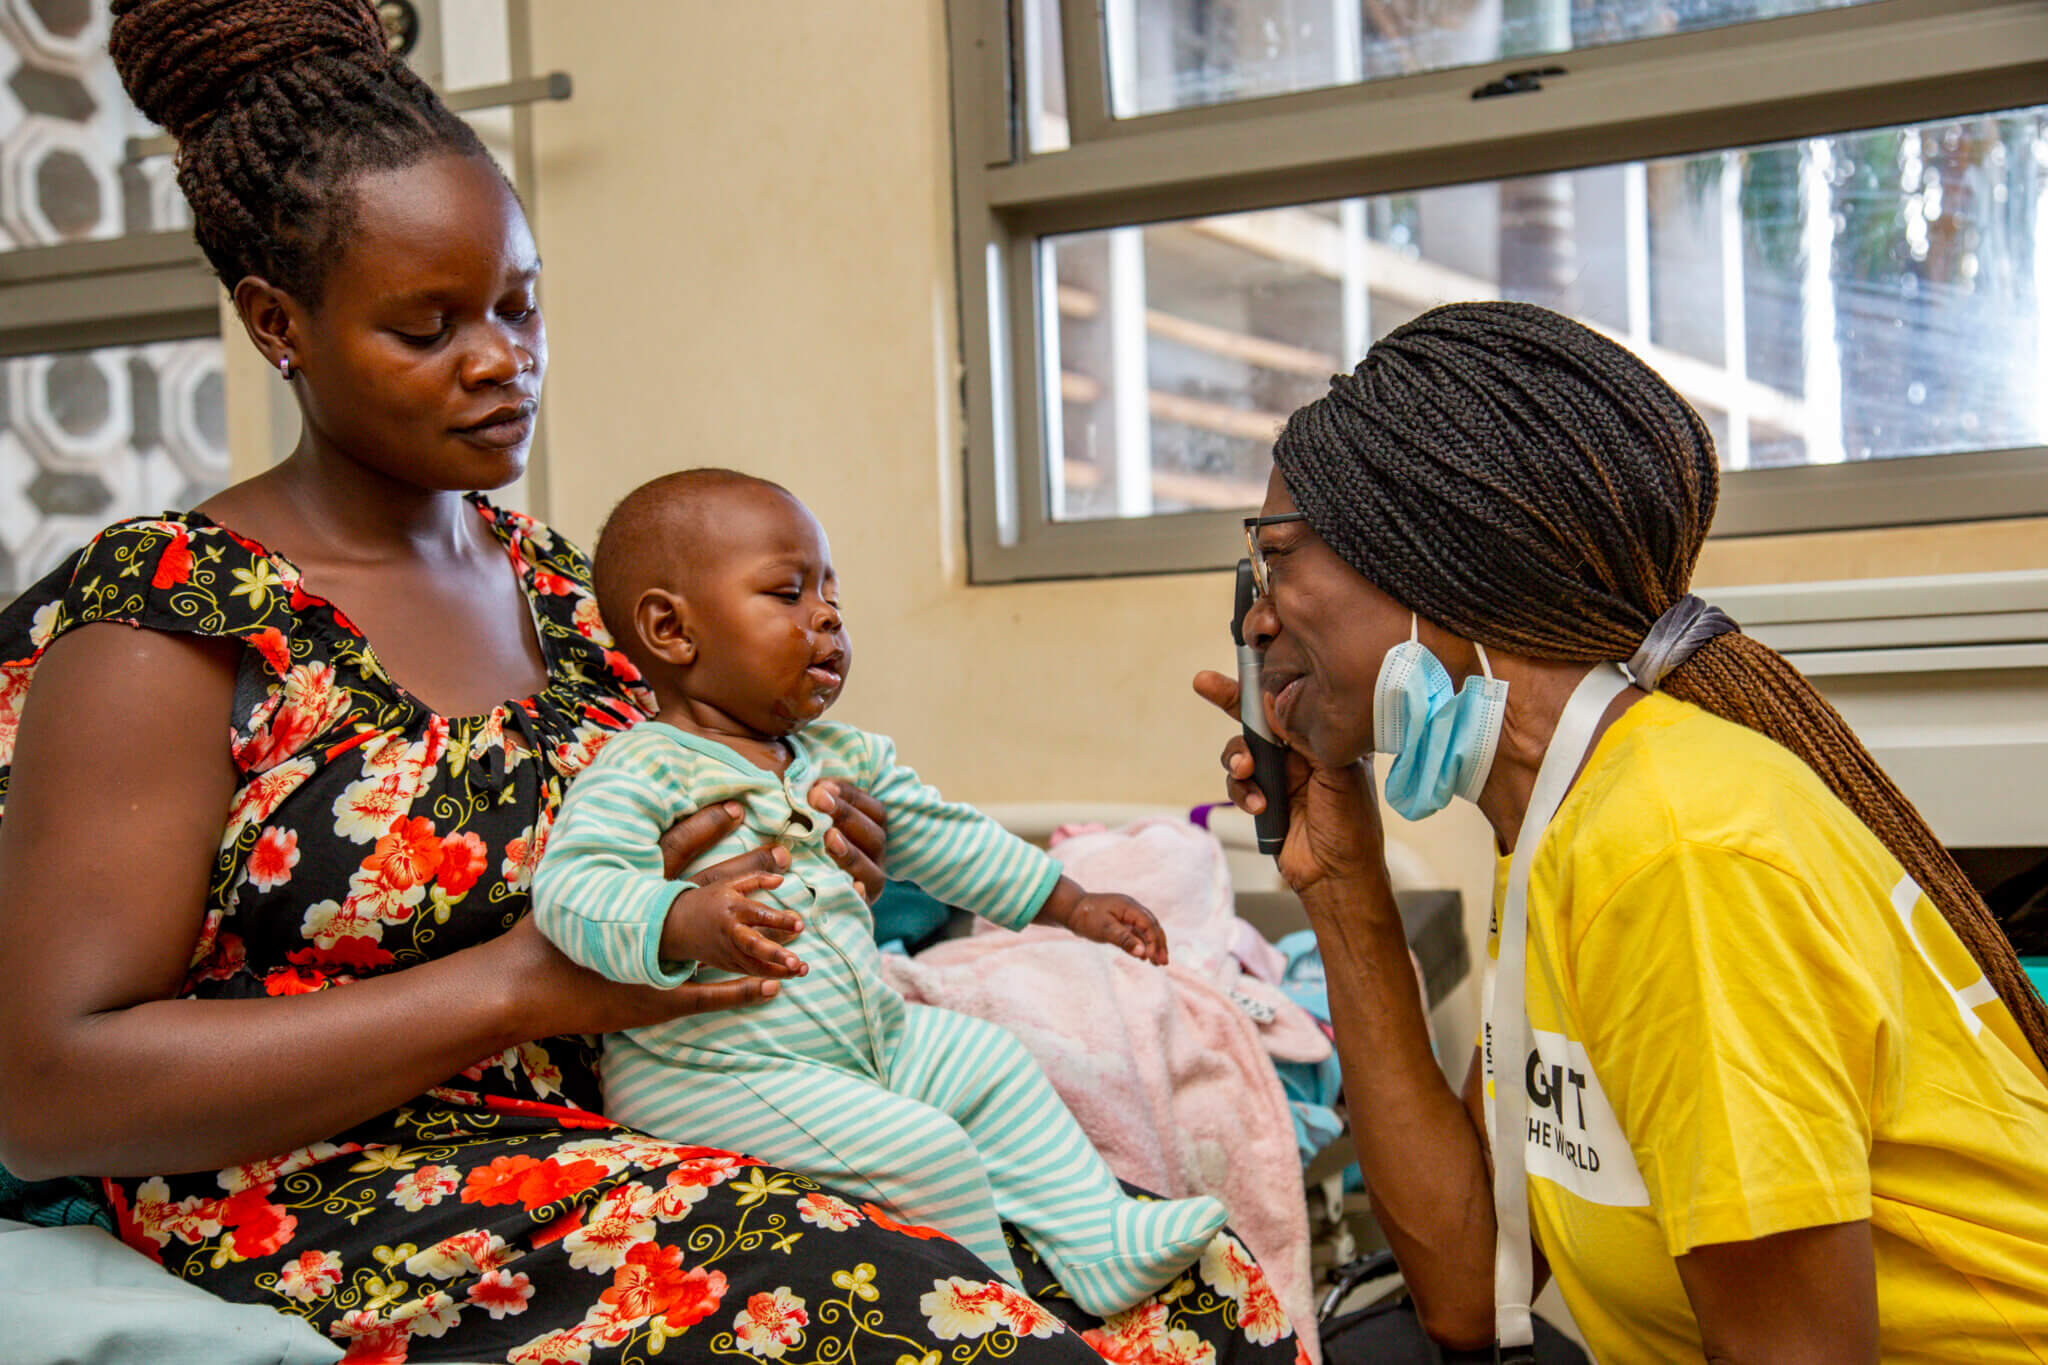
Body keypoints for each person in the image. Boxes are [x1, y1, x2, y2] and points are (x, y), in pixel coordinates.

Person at [0, 3, 1299, 1362]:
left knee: (1189, 1293)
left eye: (518, 303)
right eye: (429, 327)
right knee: (955, 1328)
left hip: (673, 1101)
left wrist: (817, 859)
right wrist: (514, 989)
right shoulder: (173, 618)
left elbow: (707, 807)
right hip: (348, 1193)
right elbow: (49, 1090)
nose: (502, 359)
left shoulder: (572, 596)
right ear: (280, 325)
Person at [1195, 301, 2048, 1364]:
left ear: (1435, 563)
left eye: (1275, 559)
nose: (1256, 617)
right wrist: (1339, 884)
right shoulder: (1562, 823)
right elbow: (1470, 1289)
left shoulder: (1672, 852)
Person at [530, 468, 1230, 1316]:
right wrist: (676, 917)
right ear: (672, 629)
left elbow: (943, 836)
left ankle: (1097, 1237)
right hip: (715, 1067)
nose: (825, 616)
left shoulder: (838, 754)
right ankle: (997, 1319)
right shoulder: (643, 768)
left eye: (831, 593)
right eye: (787, 593)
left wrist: (1070, 902)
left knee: (993, 1062)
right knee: (926, 1149)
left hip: (866, 1041)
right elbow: (572, 888)